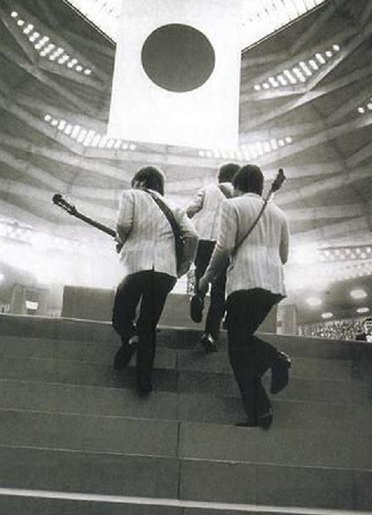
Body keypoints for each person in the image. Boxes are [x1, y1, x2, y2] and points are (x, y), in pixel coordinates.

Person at [198, 164, 290, 429]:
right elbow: (284, 257)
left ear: (237, 187)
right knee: (242, 341)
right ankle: (263, 397)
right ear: (260, 187)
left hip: (245, 281)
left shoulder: (233, 206)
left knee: (237, 351)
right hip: (272, 285)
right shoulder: (279, 213)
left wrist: (204, 281)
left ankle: (273, 364)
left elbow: (224, 248)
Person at [113, 166, 198, 395]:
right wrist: (182, 266)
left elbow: (123, 225)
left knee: (121, 315)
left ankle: (130, 339)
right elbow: (192, 236)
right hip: (164, 272)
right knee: (148, 325)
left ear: (140, 181)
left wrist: (121, 242)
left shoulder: (130, 195)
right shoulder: (175, 208)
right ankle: (144, 383)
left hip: (136, 266)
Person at [186, 162, 240, 352]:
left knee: (202, 276)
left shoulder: (207, 189)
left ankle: (198, 296)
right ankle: (210, 334)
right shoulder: (239, 195)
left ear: (219, 177)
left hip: (203, 242)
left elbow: (189, 211)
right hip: (224, 244)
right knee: (219, 291)